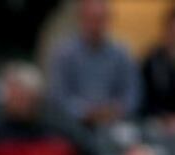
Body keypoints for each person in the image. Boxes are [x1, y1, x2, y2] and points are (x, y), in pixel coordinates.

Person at [48, 0, 139, 128]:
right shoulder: (64, 54)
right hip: (74, 125)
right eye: (91, 19)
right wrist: (85, 111)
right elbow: (58, 96)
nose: (95, 25)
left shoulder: (122, 53)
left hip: (115, 123)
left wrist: (115, 109)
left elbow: (133, 94)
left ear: (109, 20)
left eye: (100, 19)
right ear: (81, 19)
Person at [142, 7, 175, 129]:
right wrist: (164, 117)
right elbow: (145, 98)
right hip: (157, 121)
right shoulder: (153, 61)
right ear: (167, 30)